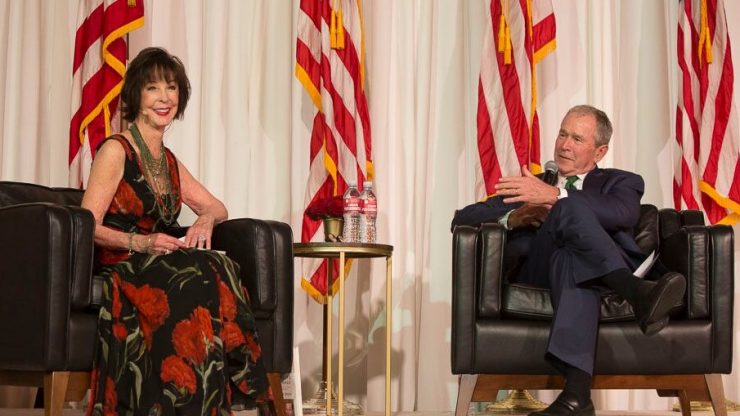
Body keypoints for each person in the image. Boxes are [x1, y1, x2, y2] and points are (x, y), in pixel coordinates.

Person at [451, 105, 686, 416]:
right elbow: (462, 219)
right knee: (564, 210)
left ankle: (576, 398)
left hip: (587, 273)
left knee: (568, 250)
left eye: (577, 138)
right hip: (538, 271)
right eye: (563, 133)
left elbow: (623, 214)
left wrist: (555, 197)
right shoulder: (530, 185)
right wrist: (514, 218)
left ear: (599, 151)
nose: (564, 144)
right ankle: (636, 292)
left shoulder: (622, 181)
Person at [82, 47, 270, 415]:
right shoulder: (116, 150)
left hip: (160, 259)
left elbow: (217, 207)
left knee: (220, 265)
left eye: (171, 88)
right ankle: (210, 394)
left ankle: (215, 398)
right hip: (124, 262)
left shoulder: (167, 160)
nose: (164, 98)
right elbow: (87, 224)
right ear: (136, 94)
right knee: (198, 271)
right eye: (153, 88)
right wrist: (142, 241)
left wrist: (204, 219)